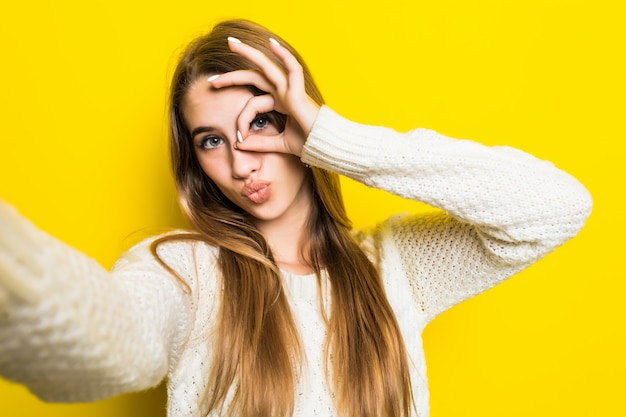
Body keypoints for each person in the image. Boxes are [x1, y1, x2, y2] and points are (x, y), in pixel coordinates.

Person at [0, 19, 592, 417]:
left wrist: (333, 138)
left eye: (260, 121)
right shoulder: (185, 269)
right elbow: (110, 344)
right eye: (210, 140)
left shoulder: (396, 269)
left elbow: (556, 206)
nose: (240, 162)